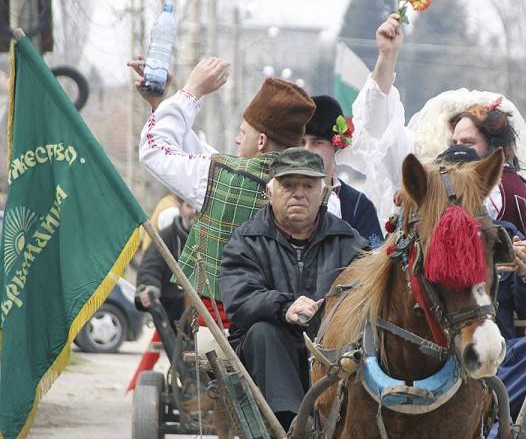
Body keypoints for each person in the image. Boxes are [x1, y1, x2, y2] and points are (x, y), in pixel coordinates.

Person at [338, 14, 526, 338]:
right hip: (429, 329)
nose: (460, 152)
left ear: (494, 153)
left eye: (469, 143)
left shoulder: (517, 198)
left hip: (495, 330)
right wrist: (387, 57)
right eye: (455, 143)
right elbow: (382, 129)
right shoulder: (428, 186)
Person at [131, 56, 316, 324]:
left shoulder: (221, 178)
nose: (236, 139)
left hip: (221, 335)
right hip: (292, 324)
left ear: (261, 141)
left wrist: (191, 92)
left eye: (243, 132)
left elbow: (155, 148)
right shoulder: (318, 190)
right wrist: (161, 105)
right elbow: (198, 154)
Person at [219, 148, 369, 430]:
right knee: (264, 333)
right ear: (269, 191)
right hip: (269, 354)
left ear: (323, 192)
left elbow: (365, 295)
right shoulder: (246, 240)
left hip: (331, 351)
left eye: (308, 185)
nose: (299, 194)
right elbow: (240, 298)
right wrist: (285, 308)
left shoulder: (348, 241)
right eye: (288, 185)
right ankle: (294, 426)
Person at [437, 146, 526, 439]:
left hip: (494, 358)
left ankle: (489, 429)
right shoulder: (426, 237)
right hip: (435, 356)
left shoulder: (503, 235)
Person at [303, 95, 383, 247]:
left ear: (336, 145)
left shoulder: (358, 205)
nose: (307, 150)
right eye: (301, 142)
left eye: (317, 142)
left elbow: (374, 262)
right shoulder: (279, 197)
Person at [135, 200, 196, 323]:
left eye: (199, 207)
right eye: (189, 206)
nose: (194, 212)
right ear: (180, 207)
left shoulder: (212, 239)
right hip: (172, 312)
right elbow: (151, 267)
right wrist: (149, 288)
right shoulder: (167, 236)